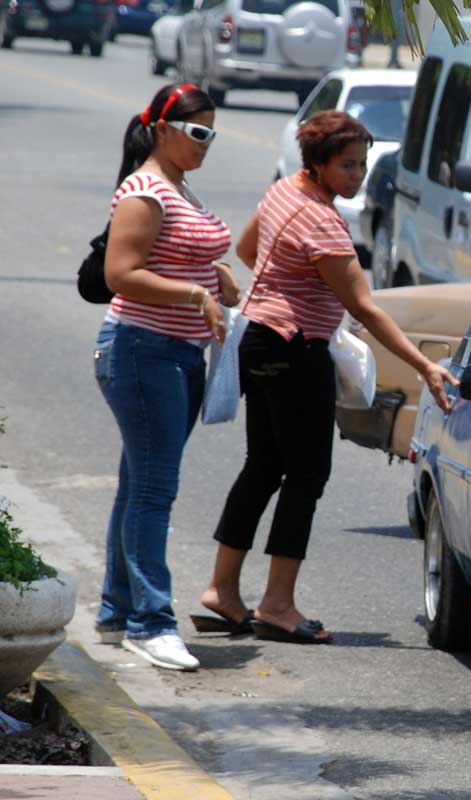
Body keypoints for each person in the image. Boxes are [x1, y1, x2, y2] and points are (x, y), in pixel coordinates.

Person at [197, 110, 456, 644]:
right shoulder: (321, 220)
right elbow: (366, 308)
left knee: (264, 466)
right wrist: (424, 365)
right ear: (316, 164)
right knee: (306, 476)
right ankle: (277, 604)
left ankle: (222, 591)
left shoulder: (283, 192)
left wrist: (289, 287)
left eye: (362, 165)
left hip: (259, 340)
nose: (356, 176)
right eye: (346, 166)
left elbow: (248, 252)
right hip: (296, 351)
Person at [94, 83, 239, 671]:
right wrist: (195, 291)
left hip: (178, 354)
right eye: (198, 131)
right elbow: (120, 273)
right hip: (141, 351)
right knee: (155, 490)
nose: (207, 142)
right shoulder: (145, 191)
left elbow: (181, 250)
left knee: (138, 484)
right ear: (164, 129)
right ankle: (150, 623)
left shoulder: (179, 185)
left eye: (213, 132)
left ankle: (115, 610)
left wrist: (218, 272)